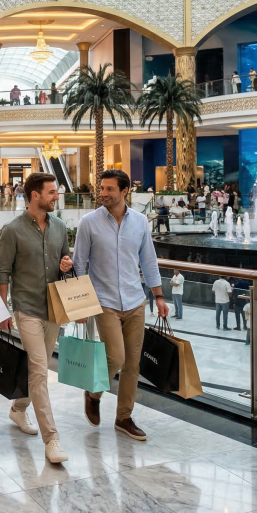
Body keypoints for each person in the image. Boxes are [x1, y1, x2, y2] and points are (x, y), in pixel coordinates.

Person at [73, 169, 165, 441]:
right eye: (102, 188)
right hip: (104, 301)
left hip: (135, 300)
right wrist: (79, 307)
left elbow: (149, 260)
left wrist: (159, 296)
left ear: (125, 191)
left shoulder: (140, 222)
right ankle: (93, 393)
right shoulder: (88, 222)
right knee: (116, 357)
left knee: (133, 365)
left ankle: (124, 417)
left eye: (109, 189)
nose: (103, 193)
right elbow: (79, 264)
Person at [0, 172, 74, 462]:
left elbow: (65, 263)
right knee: (40, 371)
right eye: (51, 192)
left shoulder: (60, 227)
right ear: (35, 195)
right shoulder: (12, 230)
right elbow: (2, 273)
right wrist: (2, 311)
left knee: (36, 369)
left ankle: (18, 409)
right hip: (26, 309)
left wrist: (66, 264)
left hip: (53, 309)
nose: (56, 196)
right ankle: (52, 439)